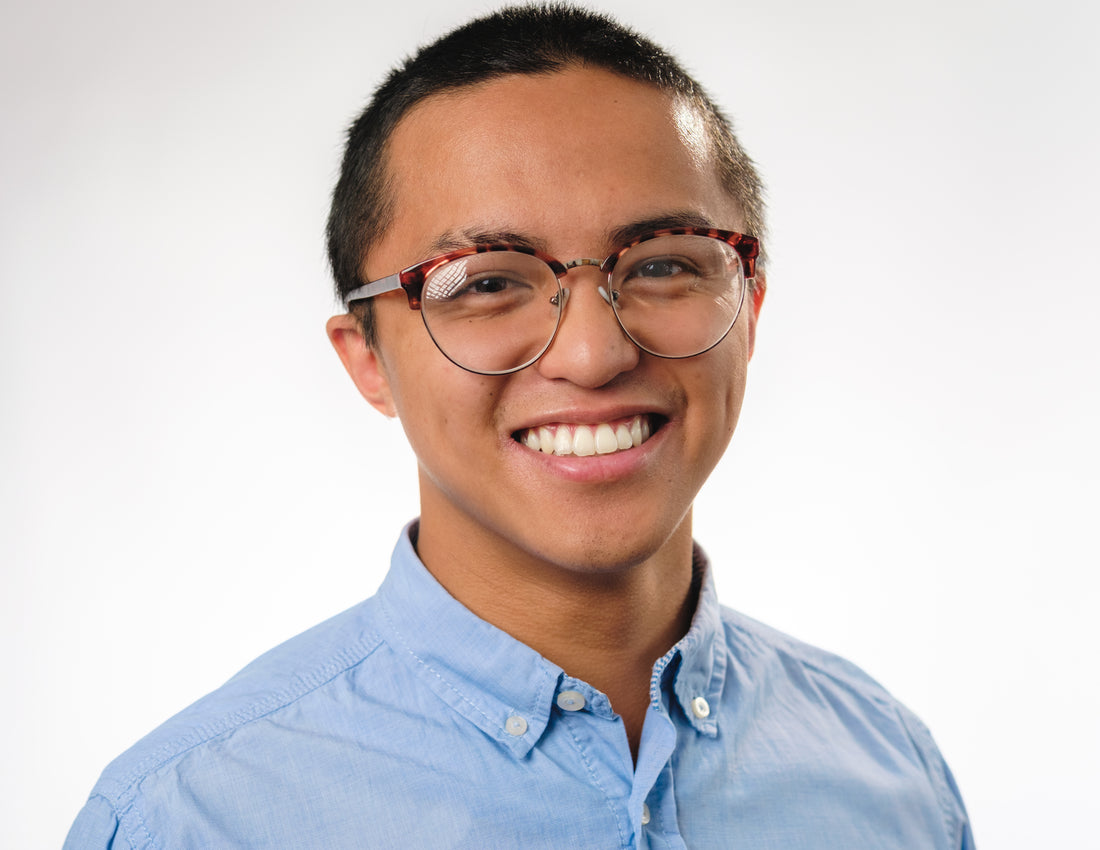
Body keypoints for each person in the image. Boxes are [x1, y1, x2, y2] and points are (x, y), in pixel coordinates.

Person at [64, 5, 974, 848]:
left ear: (750, 311)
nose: (592, 352)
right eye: (487, 281)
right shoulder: (187, 818)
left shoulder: (891, 780)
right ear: (367, 359)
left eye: (662, 265)